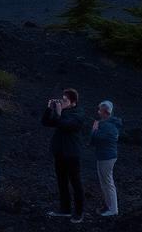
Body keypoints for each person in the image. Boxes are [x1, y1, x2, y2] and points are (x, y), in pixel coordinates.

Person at [42, 88, 84, 223]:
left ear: (73, 102)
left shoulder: (79, 114)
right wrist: (49, 109)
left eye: (65, 100)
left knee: (76, 184)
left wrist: (59, 113)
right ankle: (65, 210)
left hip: (72, 154)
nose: (62, 102)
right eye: (62, 99)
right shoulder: (63, 112)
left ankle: (79, 213)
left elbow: (67, 126)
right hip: (59, 153)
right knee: (62, 183)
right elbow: (46, 122)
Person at [90, 100, 122, 218]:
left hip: (107, 157)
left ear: (106, 112)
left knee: (108, 183)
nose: (98, 112)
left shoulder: (107, 125)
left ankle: (113, 209)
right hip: (105, 155)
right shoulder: (109, 124)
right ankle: (109, 207)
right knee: (105, 183)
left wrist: (94, 129)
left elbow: (95, 139)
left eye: (100, 110)